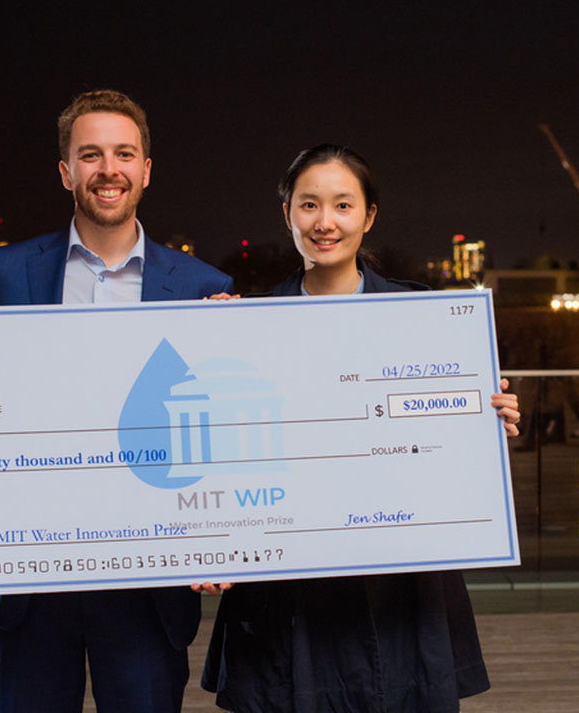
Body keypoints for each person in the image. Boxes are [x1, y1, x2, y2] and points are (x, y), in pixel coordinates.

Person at [0, 89, 233, 713]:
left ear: (146, 169)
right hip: (30, 577)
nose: (107, 169)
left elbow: (215, 426)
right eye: (90, 155)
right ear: (66, 172)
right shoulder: (4, 271)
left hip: (147, 577)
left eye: (124, 154)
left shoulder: (203, 288)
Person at [199, 144, 520, 713]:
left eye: (343, 205)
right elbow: (222, 451)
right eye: (309, 205)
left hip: (401, 586)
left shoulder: (424, 318)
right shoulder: (244, 324)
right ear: (287, 214)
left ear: (369, 216)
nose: (325, 222)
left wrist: (486, 420)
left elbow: (445, 449)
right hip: (288, 590)